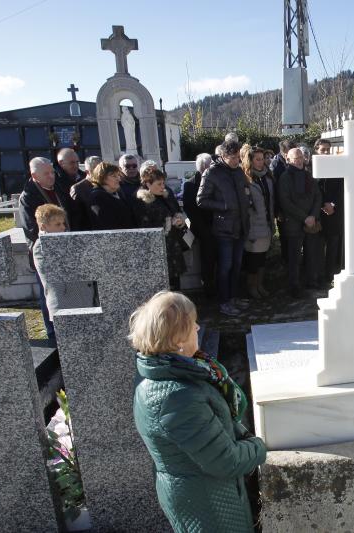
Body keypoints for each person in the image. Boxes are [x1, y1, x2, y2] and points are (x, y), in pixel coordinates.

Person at [131, 291, 266, 532]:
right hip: (206, 502)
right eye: (192, 324)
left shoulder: (171, 374)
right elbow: (227, 461)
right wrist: (262, 447)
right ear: (177, 339)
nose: (197, 327)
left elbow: (213, 425)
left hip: (206, 493)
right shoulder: (176, 397)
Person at [18, 156, 78, 340]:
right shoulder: (28, 196)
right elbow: (31, 228)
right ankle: (53, 332)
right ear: (34, 175)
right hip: (47, 251)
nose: (52, 176)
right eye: (47, 173)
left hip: (67, 246)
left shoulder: (58, 187)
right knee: (50, 294)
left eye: (52, 172)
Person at [196, 140, 251, 317]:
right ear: (223, 156)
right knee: (225, 267)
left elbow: (244, 190)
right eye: (233, 158)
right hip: (224, 229)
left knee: (236, 266)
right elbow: (201, 200)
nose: (237, 161)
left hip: (241, 225)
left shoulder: (238, 172)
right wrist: (224, 205)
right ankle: (224, 302)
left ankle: (233, 297)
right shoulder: (212, 173)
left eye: (238, 157)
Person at [31, 204, 95, 323]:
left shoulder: (67, 241)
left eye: (63, 223)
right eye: (58, 224)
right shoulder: (40, 247)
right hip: (64, 303)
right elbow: (53, 274)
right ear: (43, 226)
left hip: (84, 299)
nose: (63, 227)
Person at [278, 147, 323, 298]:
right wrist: (304, 217)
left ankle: (312, 280)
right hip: (294, 224)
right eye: (295, 158)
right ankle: (294, 285)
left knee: (311, 253)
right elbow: (285, 202)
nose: (298, 161)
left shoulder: (308, 175)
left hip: (311, 222)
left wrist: (313, 216)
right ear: (288, 159)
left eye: (300, 158)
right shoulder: (285, 177)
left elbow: (317, 196)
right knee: (294, 257)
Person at [137, 167, 188, 290]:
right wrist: (169, 223)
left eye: (163, 183)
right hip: (159, 251)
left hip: (172, 246)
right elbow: (145, 227)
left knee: (175, 283)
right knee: (165, 287)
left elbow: (175, 210)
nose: (162, 187)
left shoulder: (164, 196)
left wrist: (179, 219)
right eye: (159, 184)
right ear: (148, 184)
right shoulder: (143, 202)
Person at [242, 145, 275, 298]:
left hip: (267, 224)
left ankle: (260, 285)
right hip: (253, 227)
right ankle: (251, 287)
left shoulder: (267, 177)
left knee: (262, 259)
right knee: (253, 261)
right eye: (258, 159)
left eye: (262, 159)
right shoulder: (245, 179)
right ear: (250, 160)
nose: (261, 162)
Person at [183, 153, 217, 296]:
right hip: (203, 229)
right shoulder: (190, 184)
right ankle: (209, 289)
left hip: (217, 226)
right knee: (207, 260)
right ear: (204, 168)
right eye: (211, 166)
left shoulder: (214, 181)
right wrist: (204, 231)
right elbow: (190, 209)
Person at [315, 138, 344, 284]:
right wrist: (322, 205)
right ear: (316, 151)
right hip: (318, 214)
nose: (326, 152)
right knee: (318, 248)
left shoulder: (337, 167)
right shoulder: (311, 168)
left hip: (333, 214)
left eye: (328, 149)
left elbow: (341, 189)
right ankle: (319, 276)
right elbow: (314, 191)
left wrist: (333, 204)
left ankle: (331, 275)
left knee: (333, 246)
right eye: (323, 150)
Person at [87, 162, 139, 230]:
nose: (119, 179)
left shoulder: (118, 192)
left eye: (118, 175)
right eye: (114, 176)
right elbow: (105, 224)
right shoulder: (97, 197)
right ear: (103, 177)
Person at [69, 156, 102, 231]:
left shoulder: (105, 185)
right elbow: (76, 217)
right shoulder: (77, 189)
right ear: (88, 172)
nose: (100, 172)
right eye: (97, 169)